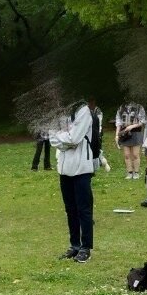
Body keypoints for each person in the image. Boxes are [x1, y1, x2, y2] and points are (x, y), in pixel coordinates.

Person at [49, 101, 96, 263]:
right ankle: (74, 245)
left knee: (84, 209)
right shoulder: (59, 111)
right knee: (70, 209)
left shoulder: (83, 111)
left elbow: (75, 138)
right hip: (64, 169)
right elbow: (52, 139)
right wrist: (64, 140)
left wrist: (62, 138)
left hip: (81, 168)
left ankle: (86, 247)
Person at [114, 100, 146, 179]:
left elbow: (142, 121)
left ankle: (136, 172)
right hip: (125, 133)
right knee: (127, 155)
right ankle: (129, 172)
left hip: (136, 132)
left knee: (135, 154)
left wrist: (132, 126)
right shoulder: (121, 108)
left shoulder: (139, 107)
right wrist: (117, 135)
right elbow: (118, 122)